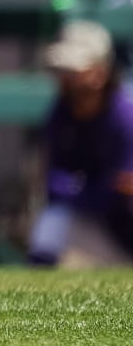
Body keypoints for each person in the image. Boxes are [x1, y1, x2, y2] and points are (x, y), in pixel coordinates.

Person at [27, 21, 133, 267]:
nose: (65, 79)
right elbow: (54, 181)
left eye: (74, 72)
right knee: (51, 226)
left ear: (100, 73)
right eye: (62, 71)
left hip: (124, 225)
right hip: (93, 219)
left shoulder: (125, 117)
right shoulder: (62, 111)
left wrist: (86, 190)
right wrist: (92, 190)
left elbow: (123, 191)